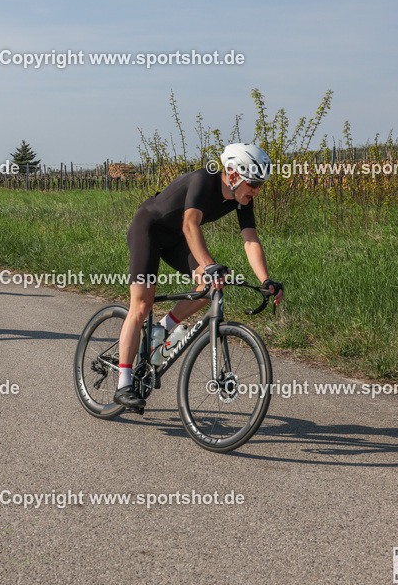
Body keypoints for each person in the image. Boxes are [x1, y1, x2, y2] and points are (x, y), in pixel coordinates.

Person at [113, 143, 285, 409]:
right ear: (234, 174)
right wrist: (209, 263)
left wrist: (266, 280)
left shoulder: (242, 199)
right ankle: (123, 383)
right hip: (148, 228)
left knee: (209, 287)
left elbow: (250, 240)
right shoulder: (204, 179)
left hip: (176, 240)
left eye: (261, 184)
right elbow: (189, 223)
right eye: (253, 183)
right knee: (142, 303)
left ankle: (162, 329)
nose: (257, 190)